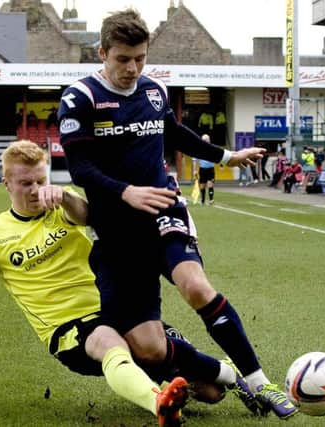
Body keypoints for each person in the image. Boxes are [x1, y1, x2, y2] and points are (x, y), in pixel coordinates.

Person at [0, 140, 257, 427]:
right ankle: (159, 402)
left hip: (119, 307)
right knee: (107, 341)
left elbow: (92, 216)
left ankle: (220, 377)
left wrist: (64, 196)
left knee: (210, 393)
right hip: (68, 330)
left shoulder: (65, 207)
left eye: (41, 180)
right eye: (25, 183)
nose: (34, 190)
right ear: (6, 183)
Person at [58, 9, 297, 419]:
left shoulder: (154, 92)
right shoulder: (79, 99)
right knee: (148, 347)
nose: (133, 68)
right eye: (122, 59)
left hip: (164, 211)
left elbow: (175, 133)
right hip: (115, 231)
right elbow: (80, 170)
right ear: (102, 52)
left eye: (140, 58)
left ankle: (263, 383)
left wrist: (227, 155)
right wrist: (125, 192)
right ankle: (223, 373)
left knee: (195, 286)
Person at [195, 134, 216, 205]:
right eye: (204, 140)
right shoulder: (199, 149)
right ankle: (203, 200)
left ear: (209, 140)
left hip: (210, 169)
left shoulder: (213, 148)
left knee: (210, 185)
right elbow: (196, 160)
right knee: (202, 186)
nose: (205, 141)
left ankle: (211, 199)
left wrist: (221, 165)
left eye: (207, 140)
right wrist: (195, 170)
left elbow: (218, 156)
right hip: (202, 169)